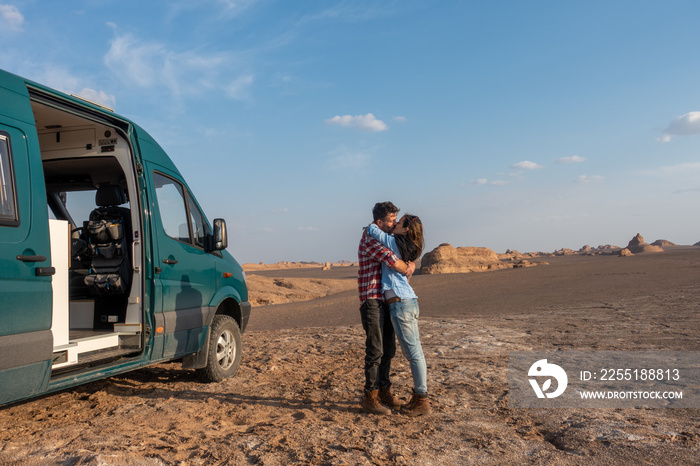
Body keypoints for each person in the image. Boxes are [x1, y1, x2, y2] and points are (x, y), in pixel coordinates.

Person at [366, 213, 431, 416]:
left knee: (414, 354)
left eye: (398, 221)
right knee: (414, 353)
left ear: (405, 230)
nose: (394, 224)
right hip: (403, 303)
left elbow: (372, 230)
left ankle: (422, 400)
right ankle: (420, 398)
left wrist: (375, 222)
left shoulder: (393, 242)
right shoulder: (403, 244)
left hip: (402, 304)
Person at [358, 202, 416, 415]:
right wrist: (407, 265)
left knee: (388, 349)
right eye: (391, 221)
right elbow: (393, 260)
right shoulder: (370, 238)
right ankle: (370, 396)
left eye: (395, 220)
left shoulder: (386, 238)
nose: (393, 224)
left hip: (386, 299)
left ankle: (384, 391)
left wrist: (412, 263)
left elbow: (405, 254)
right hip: (371, 299)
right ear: (379, 222)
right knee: (375, 349)